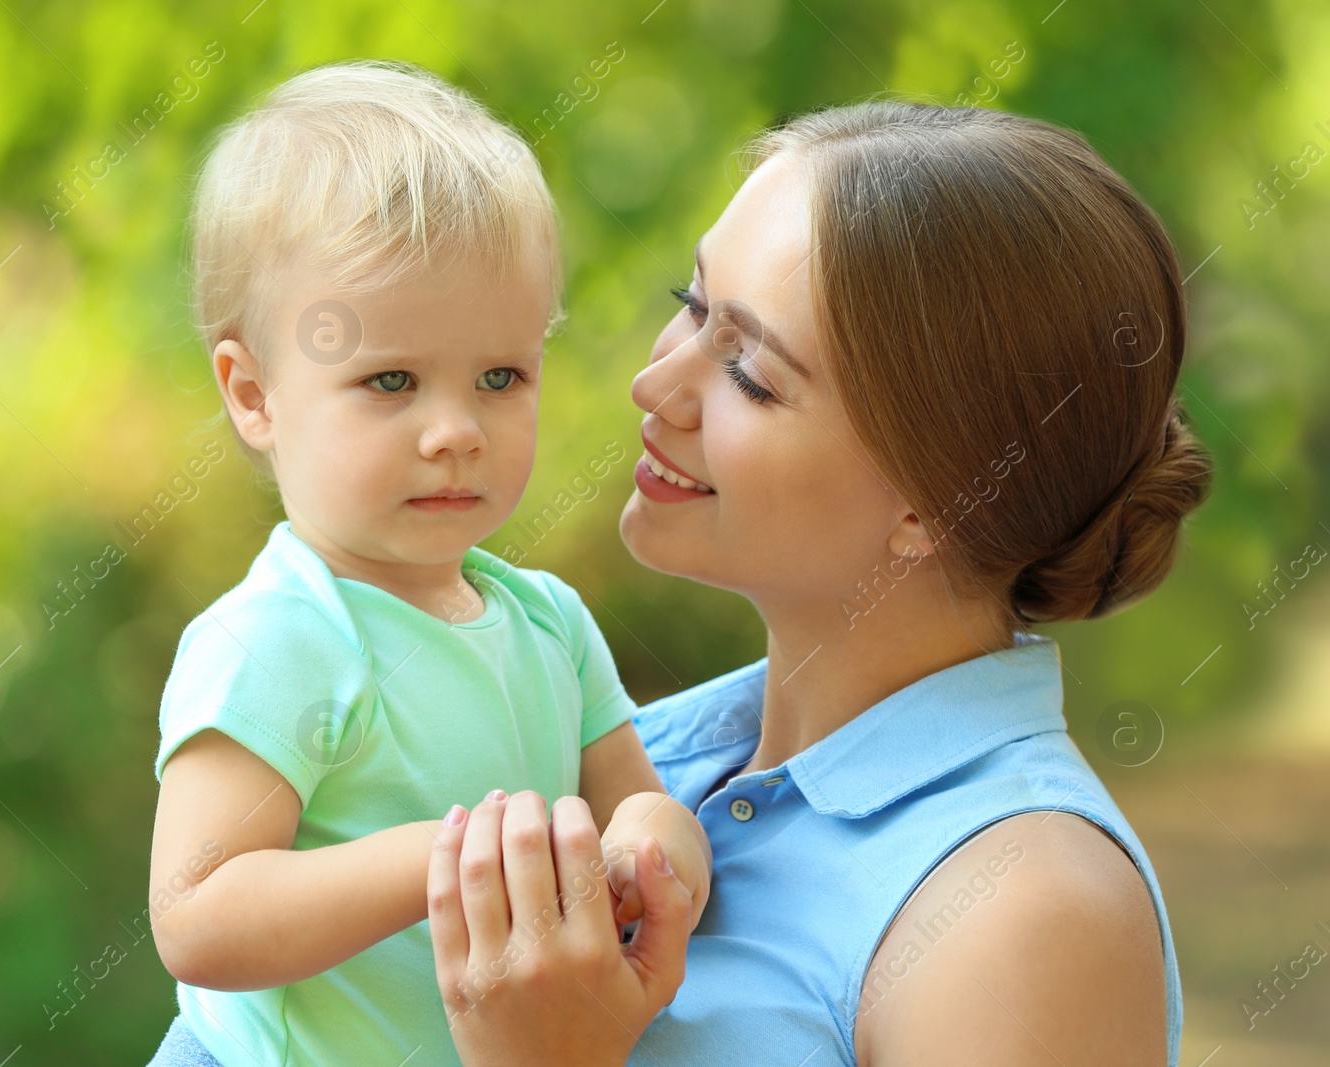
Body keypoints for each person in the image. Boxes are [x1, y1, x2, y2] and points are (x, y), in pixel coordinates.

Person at [427, 100, 1213, 1067]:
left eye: (750, 372)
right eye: (690, 302)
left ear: (938, 503)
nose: (659, 385)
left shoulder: (1027, 907)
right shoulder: (638, 762)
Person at [143, 61, 711, 1067]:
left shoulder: (546, 621)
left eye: (500, 375)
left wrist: (654, 841)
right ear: (254, 392)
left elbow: (632, 795)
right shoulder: (278, 636)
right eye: (390, 379)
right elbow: (199, 912)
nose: (455, 430)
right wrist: (439, 862)